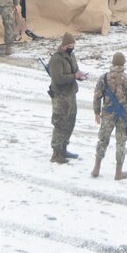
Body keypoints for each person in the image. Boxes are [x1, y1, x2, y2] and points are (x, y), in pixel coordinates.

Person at [90, 51, 127, 181]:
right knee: (121, 143)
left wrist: (96, 112)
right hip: (122, 116)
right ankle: (118, 172)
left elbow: (97, 96)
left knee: (102, 141)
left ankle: (96, 168)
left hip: (107, 114)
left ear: (112, 62)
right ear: (123, 63)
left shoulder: (103, 78)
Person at [46, 33, 87, 164]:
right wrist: (74, 76)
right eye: (69, 46)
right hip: (60, 95)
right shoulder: (56, 60)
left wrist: (79, 75)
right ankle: (56, 153)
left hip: (70, 93)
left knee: (70, 122)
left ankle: (64, 148)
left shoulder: (71, 56)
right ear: (63, 46)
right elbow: (57, 78)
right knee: (60, 123)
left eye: (73, 45)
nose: (72, 48)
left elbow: (75, 69)